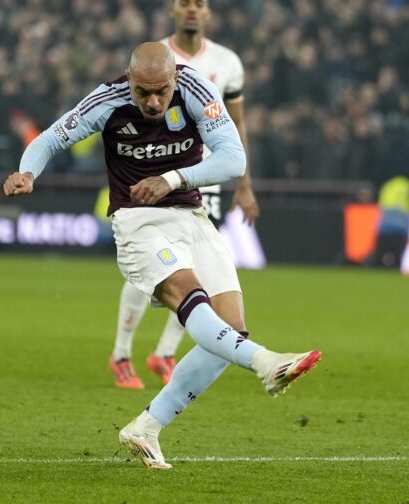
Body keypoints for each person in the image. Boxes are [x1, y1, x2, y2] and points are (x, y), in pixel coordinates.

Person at [3, 42, 321, 469]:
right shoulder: (107, 99)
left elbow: (233, 159)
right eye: (143, 92)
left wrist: (171, 178)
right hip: (137, 222)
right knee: (189, 295)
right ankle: (266, 363)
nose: (153, 102)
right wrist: (28, 171)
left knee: (231, 328)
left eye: (161, 92)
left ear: (175, 79)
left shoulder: (196, 90)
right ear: (130, 80)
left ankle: (147, 427)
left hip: (190, 215)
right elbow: (51, 138)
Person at [109, 0, 260, 389]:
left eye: (199, 3)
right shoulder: (155, 58)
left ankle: (163, 352)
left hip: (207, 173)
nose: (192, 9)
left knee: (199, 266)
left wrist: (243, 183)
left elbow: (238, 124)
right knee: (155, 263)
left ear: (208, 12)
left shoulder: (229, 63)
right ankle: (122, 353)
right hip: (154, 168)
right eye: (184, 3)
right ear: (172, 10)